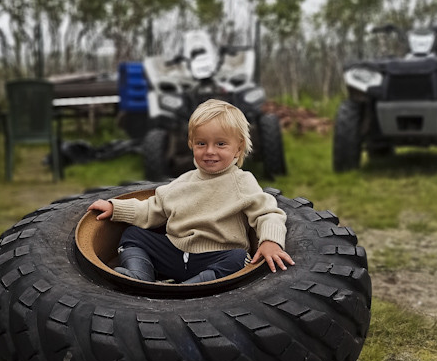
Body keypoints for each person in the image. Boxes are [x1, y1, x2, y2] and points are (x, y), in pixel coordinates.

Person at [88, 98, 294, 284]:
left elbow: (267, 213)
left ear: (238, 148)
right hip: (175, 253)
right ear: (191, 144)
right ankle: (140, 275)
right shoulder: (181, 182)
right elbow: (152, 209)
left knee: (239, 258)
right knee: (134, 234)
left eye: (221, 144)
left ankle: (192, 287)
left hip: (216, 256)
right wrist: (115, 208)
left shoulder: (242, 182)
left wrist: (270, 242)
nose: (210, 151)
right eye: (201, 143)